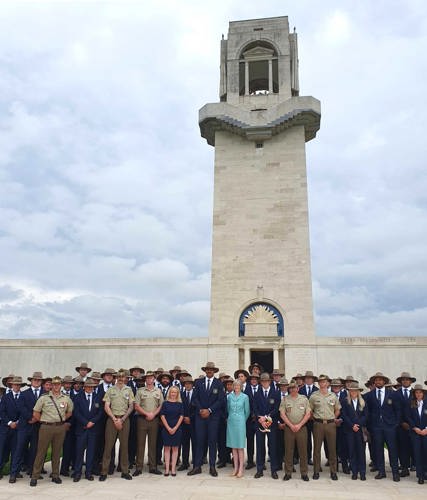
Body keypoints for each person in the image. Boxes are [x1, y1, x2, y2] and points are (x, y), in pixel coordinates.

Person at [30, 376, 73, 487]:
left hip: (60, 427)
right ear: (51, 386)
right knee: (41, 452)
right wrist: (45, 420)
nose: (56, 386)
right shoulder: (44, 398)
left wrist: (61, 420)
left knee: (57, 452)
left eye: (58, 384)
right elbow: (36, 412)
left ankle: (55, 475)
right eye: (54, 384)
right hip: (46, 427)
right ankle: (35, 476)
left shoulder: (66, 398)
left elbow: (69, 412)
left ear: (61, 385)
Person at [188, 361, 225, 477]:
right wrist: (201, 410)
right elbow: (195, 398)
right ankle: (197, 466)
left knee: (212, 442)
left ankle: (212, 466)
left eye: (211, 369)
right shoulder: (198, 383)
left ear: (214, 371)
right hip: (200, 416)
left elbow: (221, 400)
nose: (209, 371)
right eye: (207, 369)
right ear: (205, 371)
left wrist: (209, 410)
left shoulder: (219, 383)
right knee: (199, 441)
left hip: (213, 417)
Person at [99, 370, 135, 481]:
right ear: (116, 378)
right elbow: (106, 406)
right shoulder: (110, 390)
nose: (120, 378)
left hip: (124, 419)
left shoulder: (128, 390)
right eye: (118, 376)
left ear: (125, 378)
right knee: (108, 446)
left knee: (124, 446)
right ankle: (104, 471)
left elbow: (131, 406)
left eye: (122, 376)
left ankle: (124, 471)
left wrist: (122, 419)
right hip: (112, 419)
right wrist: (115, 419)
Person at [365, 371, 400, 482]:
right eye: (376, 380)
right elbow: (367, 412)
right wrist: (370, 425)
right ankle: (381, 472)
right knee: (378, 449)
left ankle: (395, 473)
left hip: (390, 427)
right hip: (376, 427)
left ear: (384, 381)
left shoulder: (393, 394)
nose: (378, 381)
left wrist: (395, 424)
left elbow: (398, 410)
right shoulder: (369, 395)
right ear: (374, 382)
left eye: (380, 380)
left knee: (392, 449)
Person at [10, 372, 44, 481]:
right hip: (25, 426)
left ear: (41, 382)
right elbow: (21, 407)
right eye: (35, 380)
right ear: (31, 381)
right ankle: (14, 473)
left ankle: (33, 472)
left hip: (37, 427)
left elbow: (47, 409)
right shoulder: (24, 393)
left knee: (35, 450)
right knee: (19, 449)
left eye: (39, 380)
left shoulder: (46, 394)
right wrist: (31, 417)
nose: (37, 381)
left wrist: (36, 419)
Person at [309, 374, 341, 480]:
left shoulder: (333, 396)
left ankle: (333, 471)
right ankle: (316, 471)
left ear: (328, 383)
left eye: (325, 381)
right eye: (321, 381)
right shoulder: (314, 396)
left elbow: (337, 409)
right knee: (317, 449)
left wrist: (333, 417)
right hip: (318, 424)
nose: (323, 383)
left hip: (331, 425)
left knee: (332, 449)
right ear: (319, 383)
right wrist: (316, 419)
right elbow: (309, 411)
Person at [72, 378, 104, 482]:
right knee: (79, 452)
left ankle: (88, 473)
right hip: (82, 428)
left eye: (92, 387)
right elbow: (76, 412)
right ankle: (77, 473)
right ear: (84, 387)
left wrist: (92, 422)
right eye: (88, 386)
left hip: (93, 429)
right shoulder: (77, 397)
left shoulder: (98, 397)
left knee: (91, 452)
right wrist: (86, 423)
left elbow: (100, 412)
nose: (90, 388)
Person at [280, 380, 311, 481]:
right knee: (288, 451)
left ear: (298, 389)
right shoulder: (285, 399)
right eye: (291, 388)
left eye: (295, 388)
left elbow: (308, 414)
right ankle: (288, 472)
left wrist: (299, 425)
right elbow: (282, 414)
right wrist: (291, 425)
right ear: (289, 389)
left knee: (303, 452)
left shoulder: (304, 399)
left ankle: (304, 473)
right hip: (289, 429)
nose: (293, 390)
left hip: (301, 429)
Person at [133, 371, 163, 476]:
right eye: (147, 378)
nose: (149, 380)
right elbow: (136, 405)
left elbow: (160, 405)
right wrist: (147, 414)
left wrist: (153, 414)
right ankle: (139, 467)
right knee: (140, 444)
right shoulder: (140, 391)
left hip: (154, 420)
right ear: (145, 380)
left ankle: (153, 467)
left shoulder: (158, 391)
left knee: (153, 444)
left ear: (154, 379)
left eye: (151, 378)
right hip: (142, 419)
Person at [253, 372, 281, 479]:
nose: (265, 383)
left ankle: (274, 470)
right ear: (261, 382)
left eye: (267, 381)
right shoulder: (257, 393)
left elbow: (276, 408)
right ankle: (259, 469)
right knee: (260, 447)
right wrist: (260, 418)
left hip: (271, 423)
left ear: (270, 382)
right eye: (263, 381)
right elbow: (254, 408)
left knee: (272, 447)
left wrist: (267, 417)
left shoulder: (275, 393)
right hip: (260, 423)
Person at [340, 382, 368, 480]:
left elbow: (365, 415)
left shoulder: (363, 401)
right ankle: (354, 472)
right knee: (352, 451)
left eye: (355, 390)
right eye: (351, 390)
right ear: (349, 391)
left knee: (361, 451)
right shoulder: (345, 401)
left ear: (358, 391)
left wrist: (358, 425)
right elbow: (344, 415)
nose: (353, 392)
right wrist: (352, 425)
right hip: (350, 430)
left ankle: (363, 472)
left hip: (360, 430)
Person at [1, 376, 26, 483]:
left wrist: (18, 422)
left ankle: (13, 473)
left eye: (18, 385)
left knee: (16, 451)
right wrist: (10, 423)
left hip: (18, 428)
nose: (17, 386)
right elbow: (2, 412)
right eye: (15, 384)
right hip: (5, 428)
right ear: (11, 385)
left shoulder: (24, 397)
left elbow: (25, 412)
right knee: (2, 450)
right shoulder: (6, 397)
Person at [226, 379, 250, 478]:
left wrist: (242, 420)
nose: (236, 388)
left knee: (240, 447)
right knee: (233, 447)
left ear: (241, 387)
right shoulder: (229, 397)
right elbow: (228, 409)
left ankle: (241, 469)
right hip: (231, 422)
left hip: (240, 423)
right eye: (235, 386)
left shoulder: (245, 397)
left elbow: (247, 411)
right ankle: (235, 468)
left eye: (238, 386)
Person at [395, 371, 416, 478]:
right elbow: (395, 410)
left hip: (414, 425)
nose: (405, 381)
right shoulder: (396, 393)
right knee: (402, 447)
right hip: (400, 425)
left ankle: (416, 466)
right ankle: (404, 468)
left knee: (415, 446)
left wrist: (412, 424)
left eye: (407, 379)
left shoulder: (416, 393)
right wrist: (401, 422)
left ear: (411, 382)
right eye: (403, 380)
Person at [405, 383, 427, 484]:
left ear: (423, 393)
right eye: (416, 393)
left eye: (420, 392)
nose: (418, 394)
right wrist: (415, 428)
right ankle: (420, 475)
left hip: (426, 432)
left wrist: (426, 429)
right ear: (414, 394)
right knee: (418, 454)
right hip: (416, 433)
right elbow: (409, 417)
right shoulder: (411, 404)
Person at [160, 385, 184, 476]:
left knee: (175, 449)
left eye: (175, 392)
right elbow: (162, 416)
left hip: (177, 429)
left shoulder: (180, 404)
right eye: (172, 392)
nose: (173, 394)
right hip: (166, 428)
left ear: (177, 394)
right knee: (166, 448)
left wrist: (175, 428)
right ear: (169, 393)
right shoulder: (165, 403)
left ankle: (173, 469)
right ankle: (167, 469)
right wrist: (168, 428)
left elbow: (181, 416)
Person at [299, 370, 319, 465]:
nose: (308, 380)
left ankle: (315, 458)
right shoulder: (300, 390)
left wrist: (313, 415)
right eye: (306, 378)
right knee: (305, 440)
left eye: (310, 378)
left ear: (313, 380)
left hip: (314, 419)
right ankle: (307, 457)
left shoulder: (317, 390)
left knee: (316, 439)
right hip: (304, 419)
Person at [179, 375, 196, 471]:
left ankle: (195, 463)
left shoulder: (196, 394)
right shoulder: (181, 394)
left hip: (194, 423)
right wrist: (184, 417)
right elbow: (179, 407)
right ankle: (185, 463)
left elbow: (198, 407)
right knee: (184, 444)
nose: (188, 385)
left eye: (189, 383)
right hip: (183, 422)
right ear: (184, 385)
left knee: (195, 443)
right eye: (186, 384)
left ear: (192, 385)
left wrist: (190, 418)